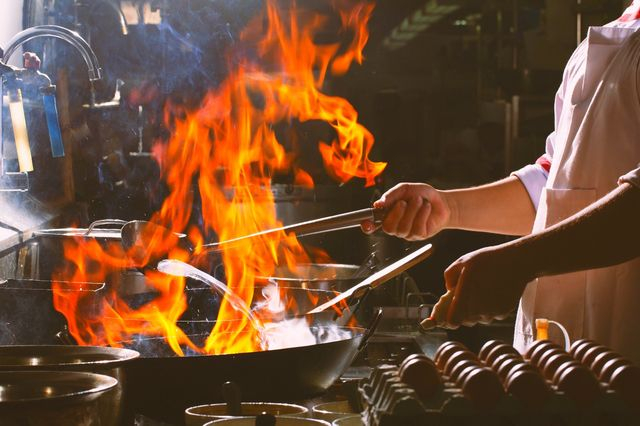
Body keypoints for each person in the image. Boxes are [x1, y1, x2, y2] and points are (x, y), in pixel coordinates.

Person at [362, 3, 640, 363]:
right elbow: (558, 187)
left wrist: (521, 263)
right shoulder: (614, 34)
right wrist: (448, 208)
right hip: (565, 360)